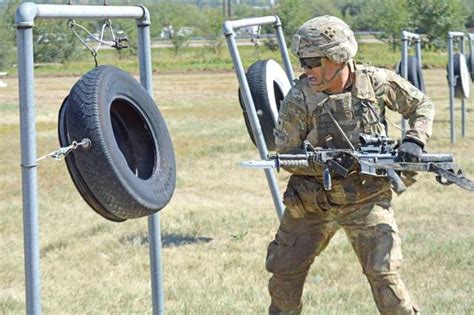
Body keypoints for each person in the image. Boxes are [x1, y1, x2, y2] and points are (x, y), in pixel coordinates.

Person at [266, 15, 434, 314]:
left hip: (366, 198)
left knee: (385, 277)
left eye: (313, 61)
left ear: (338, 57)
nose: (306, 69)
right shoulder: (298, 97)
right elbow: (286, 153)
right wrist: (324, 166)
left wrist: (414, 139)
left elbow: (421, 105)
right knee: (284, 278)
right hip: (311, 202)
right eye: (302, 61)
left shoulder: (376, 82)